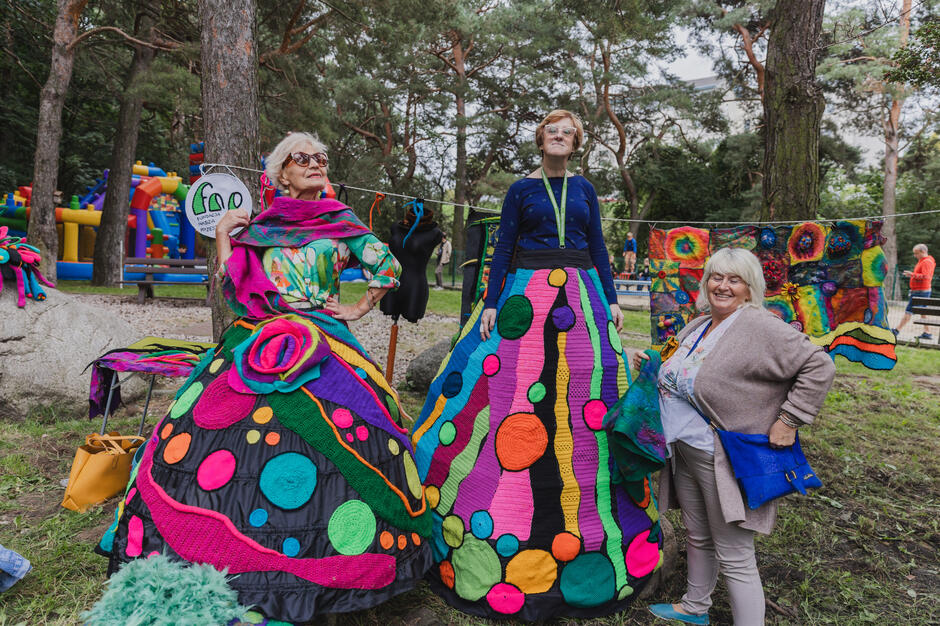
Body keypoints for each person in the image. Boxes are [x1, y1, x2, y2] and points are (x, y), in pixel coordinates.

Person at [104, 132, 432, 623]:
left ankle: (331, 557)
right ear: (281, 173)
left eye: (323, 158)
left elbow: (386, 268)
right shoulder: (260, 225)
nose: (317, 165)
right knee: (219, 434)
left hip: (324, 338)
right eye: (304, 159)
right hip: (254, 338)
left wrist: (357, 307)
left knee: (341, 434)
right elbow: (233, 286)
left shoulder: (341, 222)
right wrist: (222, 237)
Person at [411, 110, 663, 621]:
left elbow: (597, 246)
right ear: (541, 139)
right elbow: (503, 247)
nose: (559, 138)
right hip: (527, 294)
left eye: (568, 133)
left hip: (583, 293)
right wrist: (489, 303)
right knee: (516, 386)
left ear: (575, 143)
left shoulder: (586, 190)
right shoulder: (522, 191)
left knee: (584, 391)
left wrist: (611, 298)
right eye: (553, 131)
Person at [634, 247, 835, 625]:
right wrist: (654, 365)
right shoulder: (698, 324)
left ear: (749, 287)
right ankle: (695, 607)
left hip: (722, 455)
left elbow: (819, 364)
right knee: (697, 535)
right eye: (716, 276)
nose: (722, 286)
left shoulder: (758, 326)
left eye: (734, 279)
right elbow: (686, 372)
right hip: (686, 450)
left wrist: (790, 419)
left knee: (735, 553)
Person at [892, 243, 935, 340]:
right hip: (920, 291)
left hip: (920, 292)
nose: (915, 256)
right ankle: (927, 332)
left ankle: (896, 330)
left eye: (916, 253)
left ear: (923, 252)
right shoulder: (923, 261)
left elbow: (926, 277)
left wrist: (912, 274)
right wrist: (912, 275)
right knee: (922, 312)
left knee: (908, 311)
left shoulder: (926, 262)